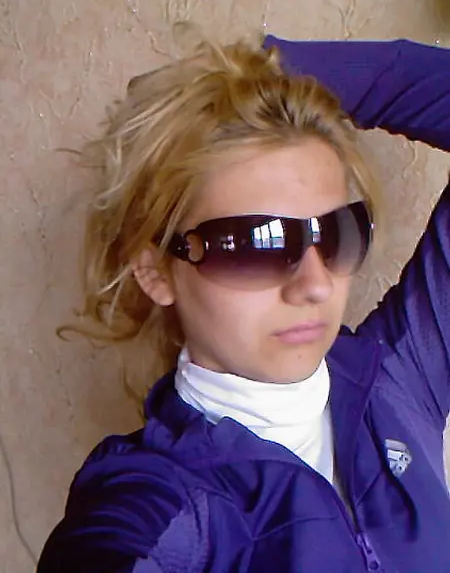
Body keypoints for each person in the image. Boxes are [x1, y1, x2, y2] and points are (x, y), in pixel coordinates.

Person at [37, 33, 450, 572]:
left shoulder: (398, 377)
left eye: (336, 233)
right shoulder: (161, 505)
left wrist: (262, 65)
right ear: (156, 272)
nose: (316, 285)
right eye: (257, 245)